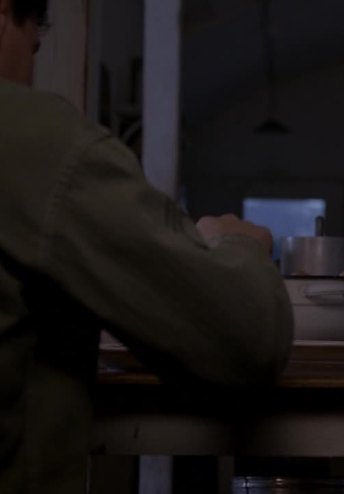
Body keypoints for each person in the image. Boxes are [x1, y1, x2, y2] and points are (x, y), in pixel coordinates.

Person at [0, 0, 294, 492]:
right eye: (32, 50)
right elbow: (248, 342)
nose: (28, 80)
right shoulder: (33, 138)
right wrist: (238, 245)